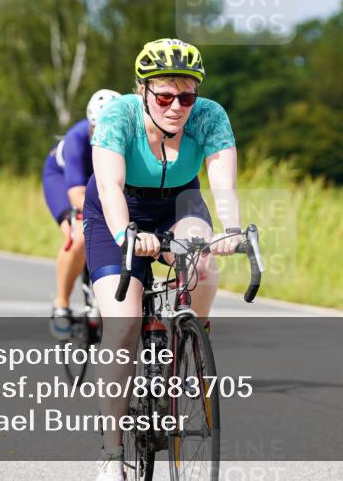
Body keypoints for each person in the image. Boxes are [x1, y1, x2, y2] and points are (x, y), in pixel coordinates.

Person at [84, 38, 242, 481]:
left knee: (204, 262)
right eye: (165, 96)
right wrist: (126, 236)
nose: (177, 106)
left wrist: (229, 230)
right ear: (144, 91)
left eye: (186, 96)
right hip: (118, 210)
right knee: (122, 324)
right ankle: (113, 454)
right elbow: (110, 186)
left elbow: (223, 184)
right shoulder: (119, 116)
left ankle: (188, 343)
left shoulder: (209, 116)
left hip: (180, 203)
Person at [42, 89, 120, 340]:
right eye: (100, 129)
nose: (107, 136)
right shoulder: (77, 139)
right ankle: (61, 304)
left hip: (100, 180)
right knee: (79, 236)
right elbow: (76, 194)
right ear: (91, 125)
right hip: (62, 178)